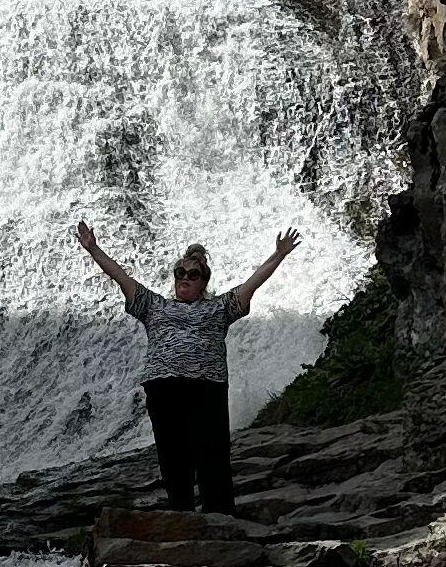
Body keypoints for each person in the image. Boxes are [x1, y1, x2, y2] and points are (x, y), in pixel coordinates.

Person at [73, 217, 299, 513]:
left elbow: (252, 284)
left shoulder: (220, 307)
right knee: (172, 456)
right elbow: (122, 278)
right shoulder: (154, 305)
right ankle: (181, 515)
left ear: (203, 282)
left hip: (207, 387)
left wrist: (279, 255)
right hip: (163, 387)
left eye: (193, 274)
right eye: (180, 272)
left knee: (212, 455)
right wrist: (93, 249)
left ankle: (219, 519)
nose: (185, 277)